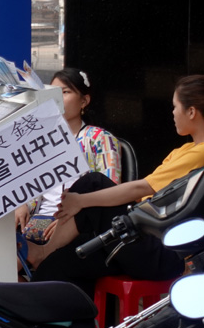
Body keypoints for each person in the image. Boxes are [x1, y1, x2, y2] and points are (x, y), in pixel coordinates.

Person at [27, 75, 204, 297]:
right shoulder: (184, 151)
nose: (172, 113)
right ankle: (65, 324)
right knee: (63, 261)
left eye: (175, 106)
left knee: (93, 183)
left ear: (191, 112)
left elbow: (141, 189)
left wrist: (81, 200)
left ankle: (44, 252)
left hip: (164, 250)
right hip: (137, 236)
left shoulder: (200, 153)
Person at [17, 69, 122, 245]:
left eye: (65, 92)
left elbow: (110, 190)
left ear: (84, 100)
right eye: (53, 92)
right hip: (37, 218)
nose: (58, 98)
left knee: (15, 260)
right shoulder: (42, 139)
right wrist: (20, 205)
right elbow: (28, 183)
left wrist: (71, 221)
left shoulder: (99, 138)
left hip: (75, 223)